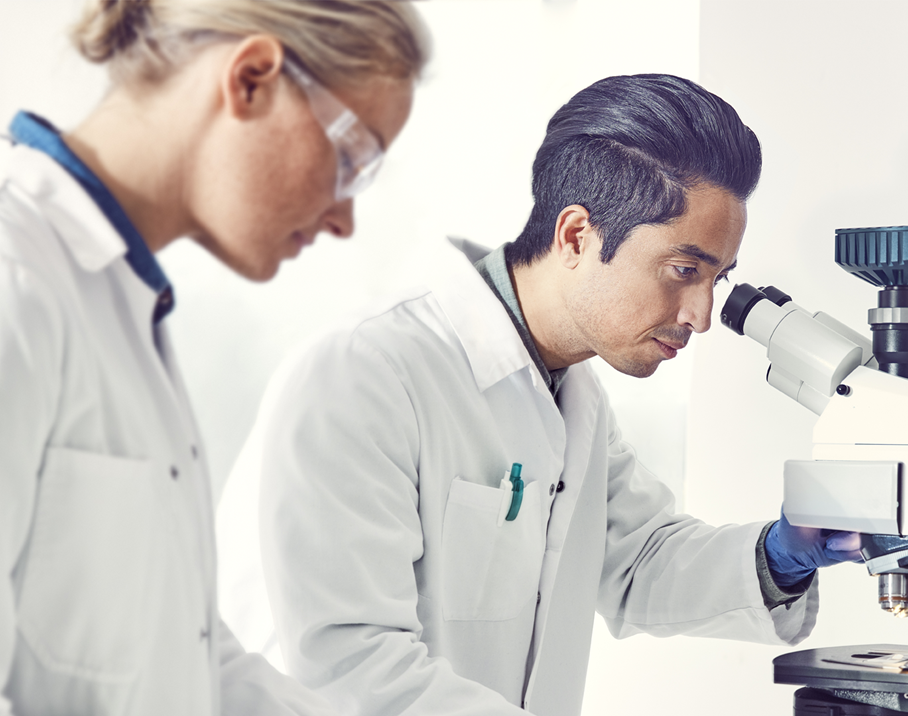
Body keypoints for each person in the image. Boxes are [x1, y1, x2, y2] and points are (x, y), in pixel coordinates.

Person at [228, 74, 861, 716]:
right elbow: (349, 672)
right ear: (577, 235)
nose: (700, 315)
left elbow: (637, 562)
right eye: (683, 271)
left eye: (716, 279)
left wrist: (782, 554)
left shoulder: (571, 393)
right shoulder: (367, 372)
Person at [0, 1, 427, 714]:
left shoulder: (121, 306)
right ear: (252, 78)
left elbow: (183, 652)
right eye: (352, 160)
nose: (344, 218)